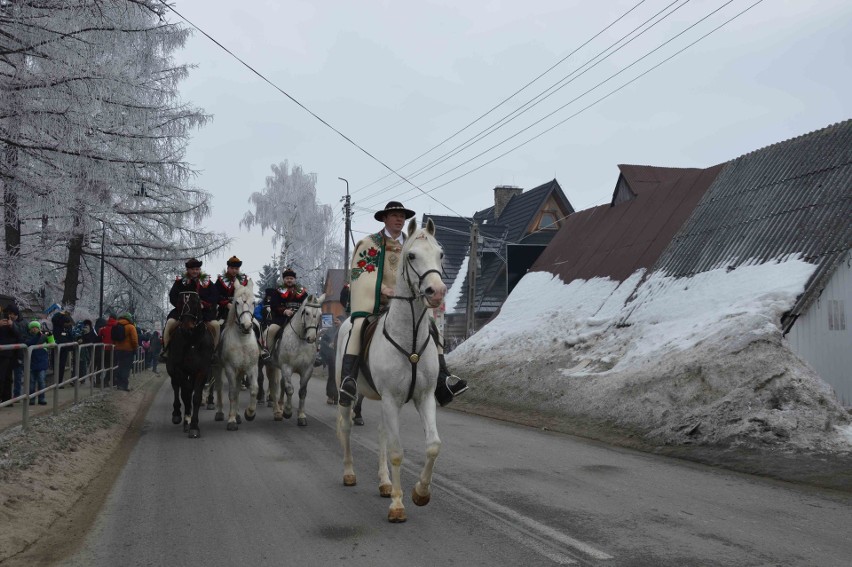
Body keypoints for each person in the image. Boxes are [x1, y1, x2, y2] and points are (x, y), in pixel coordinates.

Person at [339, 201, 468, 407]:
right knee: (357, 327)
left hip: (409, 304)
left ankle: (443, 379)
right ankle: (349, 380)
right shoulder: (370, 243)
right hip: (376, 303)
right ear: (384, 218)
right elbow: (361, 273)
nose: (399, 219)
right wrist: (383, 290)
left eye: (402, 216)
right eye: (394, 215)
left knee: (433, 327)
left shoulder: (415, 245)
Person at [162, 258, 220, 359]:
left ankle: (214, 352)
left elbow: (214, 296)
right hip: (183, 312)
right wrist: (182, 306)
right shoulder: (180, 282)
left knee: (216, 325)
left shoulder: (207, 282)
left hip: (203, 313)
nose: (195, 271)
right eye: (193, 269)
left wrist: (205, 304)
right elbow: (173, 296)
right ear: (188, 270)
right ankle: (166, 350)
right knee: (170, 323)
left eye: (197, 269)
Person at [215, 255, 267, 357]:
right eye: (232, 268)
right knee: (218, 326)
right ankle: (216, 351)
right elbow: (216, 296)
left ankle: (261, 348)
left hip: (243, 310)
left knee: (257, 325)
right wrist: (226, 304)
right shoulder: (220, 281)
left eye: (236, 269)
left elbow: (248, 295)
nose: (234, 271)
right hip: (225, 312)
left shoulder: (245, 280)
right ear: (228, 268)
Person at [262, 267, 308, 355]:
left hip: (300, 319)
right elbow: (274, 305)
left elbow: (307, 305)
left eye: (291, 278)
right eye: (287, 278)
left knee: (311, 329)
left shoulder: (303, 293)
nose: (289, 280)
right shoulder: (277, 292)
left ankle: (315, 353)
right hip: (281, 318)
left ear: (295, 280)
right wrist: (284, 311)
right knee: (271, 330)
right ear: (284, 280)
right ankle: (267, 352)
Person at [0, 305, 24, 405]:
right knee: (2, 377)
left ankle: (7, 399)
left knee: (8, 377)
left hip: (10, 353)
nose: (9, 316)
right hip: (4, 352)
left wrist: (11, 325)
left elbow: (19, 334)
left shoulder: (16, 323)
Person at [24, 321, 52, 405]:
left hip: (42, 362)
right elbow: (30, 343)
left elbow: (52, 344)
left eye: (36, 327)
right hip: (31, 363)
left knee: (41, 381)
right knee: (31, 383)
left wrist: (50, 335)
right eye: (32, 327)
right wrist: (38, 335)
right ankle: (32, 399)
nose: (34, 329)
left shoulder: (43, 337)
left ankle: (41, 398)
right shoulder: (27, 337)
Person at [319, 314, 345, 405]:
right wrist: (329, 345)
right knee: (332, 375)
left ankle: (337, 396)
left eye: (338, 320)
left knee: (342, 377)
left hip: (342, 355)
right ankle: (330, 396)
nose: (335, 322)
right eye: (335, 320)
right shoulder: (330, 330)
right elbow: (323, 340)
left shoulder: (345, 331)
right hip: (332, 355)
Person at [112, 312, 138, 391]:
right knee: (126, 368)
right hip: (128, 350)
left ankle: (118, 384)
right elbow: (134, 340)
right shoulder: (131, 327)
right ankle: (124, 385)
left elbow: (113, 338)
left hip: (118, 350)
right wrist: (135, 348)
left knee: (120, 366)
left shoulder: (116, 325)